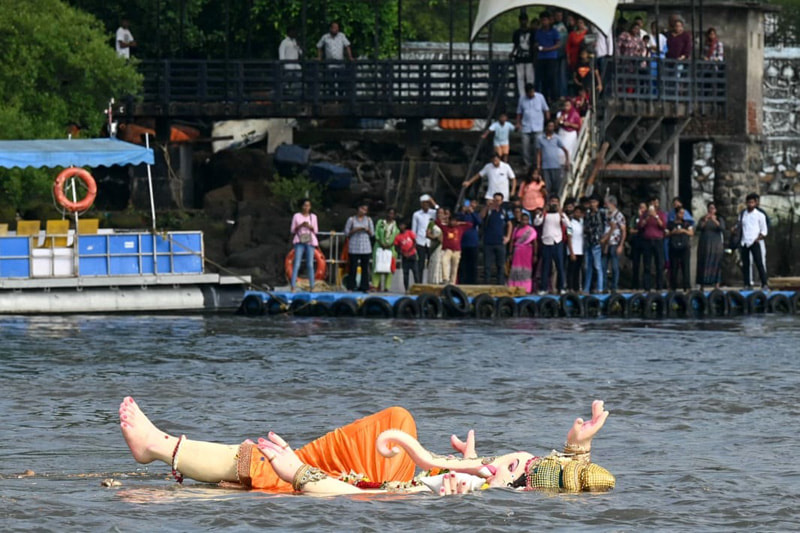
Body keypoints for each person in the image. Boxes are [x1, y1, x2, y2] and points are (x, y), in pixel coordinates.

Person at [118, 396, 614, 495]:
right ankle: (160, 448)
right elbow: (563, 477)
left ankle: (158, 445)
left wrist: (301, 476)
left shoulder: (475, 491)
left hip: (376, 487)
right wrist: (576, 445)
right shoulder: (511, 480)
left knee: (271, 467)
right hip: (399, 472)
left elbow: (362, 497)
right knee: (255, 470)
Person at [534, 195, 569, 294]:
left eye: (555, 202)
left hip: (557, 242)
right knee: (545, 266)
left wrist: (561, 213)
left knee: (560, 266)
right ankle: (544, 288)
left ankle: (561, 287)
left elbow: (568, 225)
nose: (553, 203)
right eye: (552, 201)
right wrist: (543, 211)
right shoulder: (544, 214)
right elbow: (537, 223)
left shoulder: (561, 214)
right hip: (546, 242)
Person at [516, 83, 550, 169]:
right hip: (526, 126)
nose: (531, 94)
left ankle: (536, 164)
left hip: (538, 126)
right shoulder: (522, 99)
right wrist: (518, 123)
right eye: (529, 93)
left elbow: (546, 109)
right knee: (525, 147)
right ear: (526, 93)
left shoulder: (540, 97)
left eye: (532, 92)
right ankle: (527, 164)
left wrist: (547, 122)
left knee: (537, 147)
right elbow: (519, 112)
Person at [481, 193, 512, 285]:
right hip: (488, 242)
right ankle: (487, 284)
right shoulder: (489, 211)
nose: (497, 202)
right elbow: (481, 217)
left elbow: (509, 224)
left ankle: (500, 284)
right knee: (487, 266)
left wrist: (508, 236)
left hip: (500, 242)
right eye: (495, 200)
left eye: (499, 200)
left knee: (500, 265)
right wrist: (487, 207)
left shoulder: (504, 211)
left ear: (502, 201)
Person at [739, 193, 769, 290]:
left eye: (752, 202)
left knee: (759, 263)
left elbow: (764, 231)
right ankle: (747, 284)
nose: (750, 204)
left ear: (755, 203)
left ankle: (764, 283)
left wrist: (758, 238)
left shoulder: (760, 215)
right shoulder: (743, 214)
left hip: (754, 241)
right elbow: (740, 225)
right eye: (748, 202)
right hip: (745, 241)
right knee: (746, 264)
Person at [289, 199, 319, 292]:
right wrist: (301, 225)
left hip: (310, 241)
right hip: (299, 240)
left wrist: (309, 226)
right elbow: (292, 230)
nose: (306, 208)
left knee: (310, 264)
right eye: (305, 205)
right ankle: (293, 286)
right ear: (301, 206)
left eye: (308, 206)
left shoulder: (313, 217)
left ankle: (312, 286)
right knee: (297, 263)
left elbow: (316, 230)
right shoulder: (296, 216)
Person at [436, 210, 473, 285]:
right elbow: (437, 222)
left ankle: (452, 282)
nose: (453, 222)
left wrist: (460, 223)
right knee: (444, 261)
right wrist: (445, 218)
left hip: (457, 250)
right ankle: (445, 279)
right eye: (451, 221)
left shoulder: (460, 228)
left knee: (454, 267)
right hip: (448, 250)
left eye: (454, 221)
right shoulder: (445, 228)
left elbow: (470, 225)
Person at [344, 202, 374, 292]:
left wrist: (367, 230)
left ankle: (364, 286)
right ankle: (351, 286)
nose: (364, 211)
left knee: (365, 268)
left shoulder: (368, 220)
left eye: (365, 210)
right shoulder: (351, 219)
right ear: (358, 209)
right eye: (362, 209)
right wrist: (355, 230)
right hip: (354, 246)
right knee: (353, 267)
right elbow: (346, 233)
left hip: (365, 247)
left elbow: (372, 233)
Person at [639, 197, 667, 291]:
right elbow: (640, 226)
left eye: (657, 202)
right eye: (653, 202)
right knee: (647, 264)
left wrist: (655, 216)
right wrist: (647, 217)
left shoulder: (661, 214)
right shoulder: (645, 214)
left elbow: (663, 226)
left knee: (659, 264)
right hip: (647, 240)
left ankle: (659, 286)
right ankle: (647, 287)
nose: (655, 204)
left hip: (658, 240)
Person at [695, 202, 725, 290]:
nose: (711, 210)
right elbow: (699, 228)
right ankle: (702, 284)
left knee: (716, 263)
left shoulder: (719, 218)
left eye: (713, 208)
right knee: (703, 262)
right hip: (705, 243)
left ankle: (716, 284)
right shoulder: (703, 218)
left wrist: (714, 220)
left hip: (715, 244)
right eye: (710, 208)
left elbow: (722, 228)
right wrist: (706, 220)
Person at [537, 120, 570, 197]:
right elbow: (539, 153)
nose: (551, 128)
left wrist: (567, 162)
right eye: (549, 126)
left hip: (556, 165)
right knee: (547, 187)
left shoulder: (557, 138)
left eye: (552, 126)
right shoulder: (540, 138)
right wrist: (538, 165)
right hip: (545, 166)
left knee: (556, 187)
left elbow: (565, 150)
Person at [534, 12, 562, 102]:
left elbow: (558, 44)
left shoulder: (554, 31)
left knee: (552, 77)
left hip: (551, 57)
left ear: (549, 21)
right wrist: (537, 47)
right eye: (542, 20)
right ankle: (544, 98)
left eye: (545, 20)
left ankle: (554, 97)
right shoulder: (538, 32)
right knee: (543, 79)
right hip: (541, 57)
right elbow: (536, 43)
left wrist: (548, 49)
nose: (544, 22)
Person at [601, 195, 626, 293]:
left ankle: (614, 287)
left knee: (615, 266)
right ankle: (604, 286)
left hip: (615, 242)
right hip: (606, 243)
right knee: (603, 266)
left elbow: (623, 231)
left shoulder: (619, 215)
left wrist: (621, 245)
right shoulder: (606, 214)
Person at [507, 213, 537, 293]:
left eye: (526, 220)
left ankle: (526, 288)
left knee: (526, 270)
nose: (524, 222)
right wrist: (510, 253)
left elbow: (535, 242)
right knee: (516, 269)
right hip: (517, 252)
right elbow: (512, 241)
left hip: (527, 252)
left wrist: (535, 254)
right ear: (520, 220)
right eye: (523, 220)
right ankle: (514, 287)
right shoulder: (516, 229)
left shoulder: (531, 230)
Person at [412, 194, 439, 284]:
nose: (426, 205)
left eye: (428, 203)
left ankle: (431, 282)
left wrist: (434, 203)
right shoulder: (416, 214)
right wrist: (414, 242)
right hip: (420, 241)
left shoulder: (433, 212)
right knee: (420, 264)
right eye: (424, 203)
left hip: (431, 241)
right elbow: (414, 229)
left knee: (432, 263)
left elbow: (440, 211)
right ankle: (419, 282)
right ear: (421, 204)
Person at [372, 208, 400, 292]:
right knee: (377, 266)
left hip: (390, 248)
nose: (390, 215)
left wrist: (390, 245)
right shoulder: (380, 223)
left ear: (394, 215)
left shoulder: (395, 226)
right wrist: (381, 243)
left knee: (389, 268)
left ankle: (387, 287)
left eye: (392, 214)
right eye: (389, 213)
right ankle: (375, 285)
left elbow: (396, 238)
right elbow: (376, 233)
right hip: (379, 247)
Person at [583, 195, 607, 294]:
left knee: (597, 266)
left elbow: (605, 226)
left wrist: (603, 239)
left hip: (596, 242)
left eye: (594, 202)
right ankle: (586, 288)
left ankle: (600, 288)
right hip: (588, 242)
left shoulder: (601, 213)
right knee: (588, 266)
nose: (592, 204)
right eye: (591, 202)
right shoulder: (588, 214)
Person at [666, 207, 694, 291]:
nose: (682, 215)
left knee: (685, 267)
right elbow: (666, 234)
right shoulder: (670, 224)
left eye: (683, 213)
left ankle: (686, 286)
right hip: (674, 247)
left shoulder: (687, 224)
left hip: (684, 247)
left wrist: (683, 231)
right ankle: (673, 286)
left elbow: (691, 233)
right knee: (674, 267)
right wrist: (673, 232)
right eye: (680, 213)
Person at [456, 200, 482, 285]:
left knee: (473, 265)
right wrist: (463, 212)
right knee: (462, 264)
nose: (470, 205)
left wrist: (472, 212)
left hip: (473, 243)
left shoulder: (475, 215)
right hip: (462, 243)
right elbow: (456, 220)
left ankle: (472, 282)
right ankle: (462, 281)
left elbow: (479, 222)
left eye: (473, 203)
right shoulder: (461, 215)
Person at [511, 13, 536, 97]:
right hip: (519, 57)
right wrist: (512, 53)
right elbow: (515, 45)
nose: (524, 22)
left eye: (525, 20)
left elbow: (533, 45)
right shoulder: (517, 33)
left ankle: (530, 92)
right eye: (522, 20)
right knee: (520, 77)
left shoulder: (532, 32)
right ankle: (522, 95)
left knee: (530, 77)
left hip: (529, 58)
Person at [393, 220, 418, 292]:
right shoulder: (398, 237)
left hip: (412, 255)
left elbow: (414, 242)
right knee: (405, 274)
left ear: (405, 226)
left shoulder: (409, 232)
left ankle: (418, 288)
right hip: (404, 257)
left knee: (415, 273)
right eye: (400, 225)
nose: (401, 227)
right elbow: (396, 247)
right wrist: (402, 253)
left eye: (403, 225)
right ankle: (406, 289)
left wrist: (410, 251)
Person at [556, 100, 582, 168]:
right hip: (562, 133)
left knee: (570, 150)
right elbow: (555, 125)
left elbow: (578, 126)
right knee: (560, 150)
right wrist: (558, 120)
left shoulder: (575, 114)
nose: (566, 107)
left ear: (571, 106)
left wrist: (570, 124)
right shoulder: (560, 114)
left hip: (571, 134)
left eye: (567, 105)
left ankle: (570, 163)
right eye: (565, 105)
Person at [629, 202, 648, 290]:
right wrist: (638, 230)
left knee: (646, 264)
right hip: (636, 242)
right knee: (635, 263)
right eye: (640, 207)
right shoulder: (634, 218)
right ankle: (634, 284)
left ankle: (645, 284)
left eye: (643, 207)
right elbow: (631, 230)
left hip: (645, 241)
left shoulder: (647, 218)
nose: (641, 209)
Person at [567, 205, 585, 292]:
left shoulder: (582, 223)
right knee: (571, 270)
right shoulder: (570, 224)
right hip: (573, 250)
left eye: (579, 212)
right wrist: (571, 251)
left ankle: (577, 287)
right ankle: (570, 287)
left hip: (580, 250)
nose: (578, 214)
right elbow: (569, 237)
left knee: (578, 270)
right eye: (576, 212)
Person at [426, 209, 445, 284]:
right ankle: (433, 281)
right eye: (438, 213)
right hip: (435, 246)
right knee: (434, 262)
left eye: (441, 213)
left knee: (442, 263)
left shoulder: (446, 223)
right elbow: (427, 234)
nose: (440, 214)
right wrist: (435, 238)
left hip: (443, 246)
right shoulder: (432, 223)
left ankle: (441, 280)